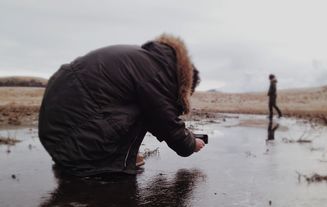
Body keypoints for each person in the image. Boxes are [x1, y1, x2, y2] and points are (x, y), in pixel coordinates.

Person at [39, 34, 205, 176]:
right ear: (183, 83)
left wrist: (185, 133)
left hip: (60, 132)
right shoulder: (155, 74)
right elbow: (164, 121)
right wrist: (191, 144)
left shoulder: (148, 60)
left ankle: (115, 157)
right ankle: (109, 161)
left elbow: (159, 116)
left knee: (145, 109)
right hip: (72, 142)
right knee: (145, 113)